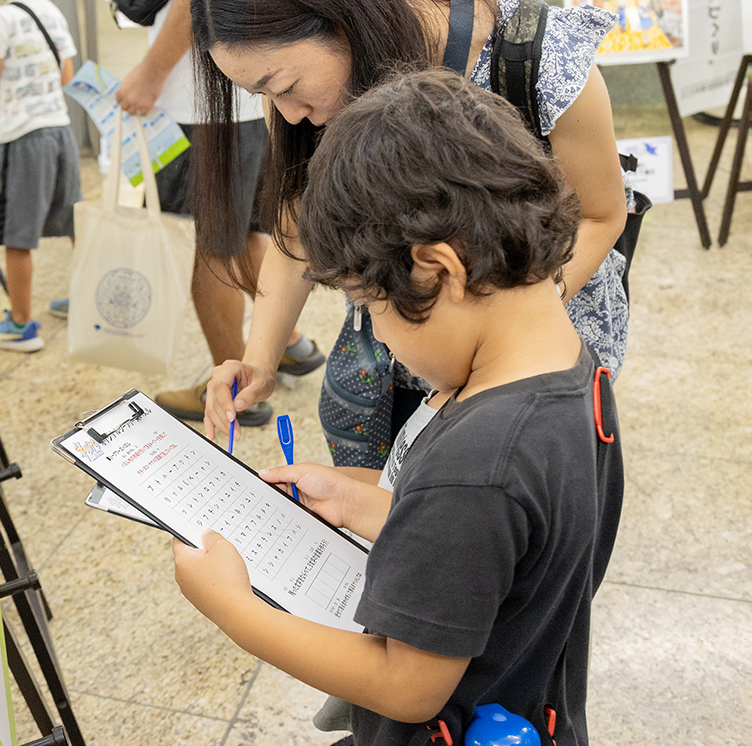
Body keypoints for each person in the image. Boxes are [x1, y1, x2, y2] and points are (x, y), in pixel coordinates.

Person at [172, 70, 623, 746]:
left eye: (368, 306)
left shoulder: (477, 464)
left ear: (439, 268)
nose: (377, 338)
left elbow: (406, 683)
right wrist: (368, 505)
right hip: (532, 741)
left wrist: (234, 608)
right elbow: (517, 555)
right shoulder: (575, 369)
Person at [191, 0, 629, 471]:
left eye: (283, 87)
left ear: (343, 20)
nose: (289, 115)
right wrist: (259, 361)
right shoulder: (301, 103)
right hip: (402, 359)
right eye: (265, 94)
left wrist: (503, 335)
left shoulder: (536, 55)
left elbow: (600, 215)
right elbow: (295, 227)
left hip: (525, 367)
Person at [113, 0, 326, 426]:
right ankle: (285, 343)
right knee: (243, 231)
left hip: (200, 101)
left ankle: (232, 388)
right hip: (245, 95)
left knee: (208, 243)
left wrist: (151, 74)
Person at [0, 0, 83, 352]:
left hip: (22, 138)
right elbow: (68, 77)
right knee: (73, 224)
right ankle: (87, 301)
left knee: (16, 235)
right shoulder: (51, 12)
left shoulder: (0, 19)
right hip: (60, 133)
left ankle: (20, 325)